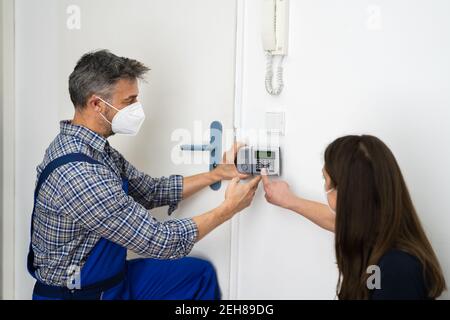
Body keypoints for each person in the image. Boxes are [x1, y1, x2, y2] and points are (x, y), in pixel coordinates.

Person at [28, 49, 261, 300]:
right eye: (129, 102)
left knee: (198, 275)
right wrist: (229, 208)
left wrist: (217, 174)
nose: (137, 109)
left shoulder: (93, 149)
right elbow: (161, 241)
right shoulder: (80, 175)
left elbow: (152, 190)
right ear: (96, 104)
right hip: (78, 294)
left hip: (111, 280)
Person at [261, 135, 446, 299]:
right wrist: (290, 201)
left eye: (325, 180)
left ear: (348, 193)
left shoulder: (397, 269)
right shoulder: (378, 232)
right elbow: (338, 222)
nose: (325, 188)